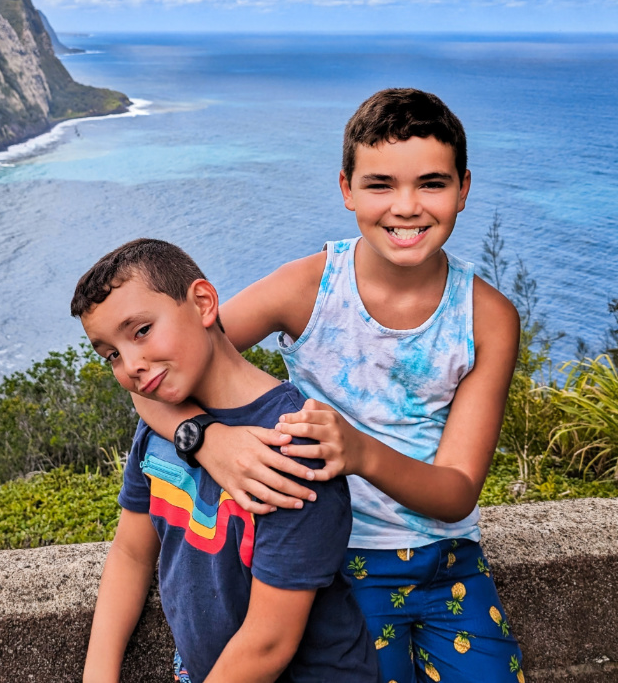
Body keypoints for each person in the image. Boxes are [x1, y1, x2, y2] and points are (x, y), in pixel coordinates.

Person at [134, 89, 527, 682]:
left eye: (432, 183)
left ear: (464, 189)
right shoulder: (309, 288)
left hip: (451, 563)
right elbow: (158, 376)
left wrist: (361, 452)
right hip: (333, 569)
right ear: (345, 189)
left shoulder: (487, 317)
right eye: (379, 185)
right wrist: (208, 439)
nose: (407, 206)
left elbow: (456, 493)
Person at [72, 239, 379, 683]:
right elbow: (131, 553)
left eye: (141, 331)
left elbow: (268, 642)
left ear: (203, 302)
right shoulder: (159, 426)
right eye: (112, 355)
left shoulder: (294, 444)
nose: (132, 365)